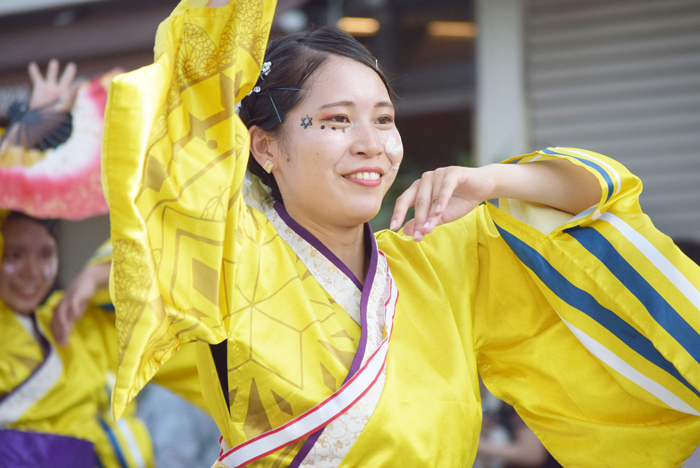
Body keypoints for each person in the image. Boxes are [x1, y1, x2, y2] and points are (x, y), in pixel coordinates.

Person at [103, 1, 700, 467]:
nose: (373, 144)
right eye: (337, 120)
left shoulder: (440, 250)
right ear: (265, 146)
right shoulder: (228, 256)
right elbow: (189, 103)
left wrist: (492, 180)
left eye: (384, 119)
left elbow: (600, 197)